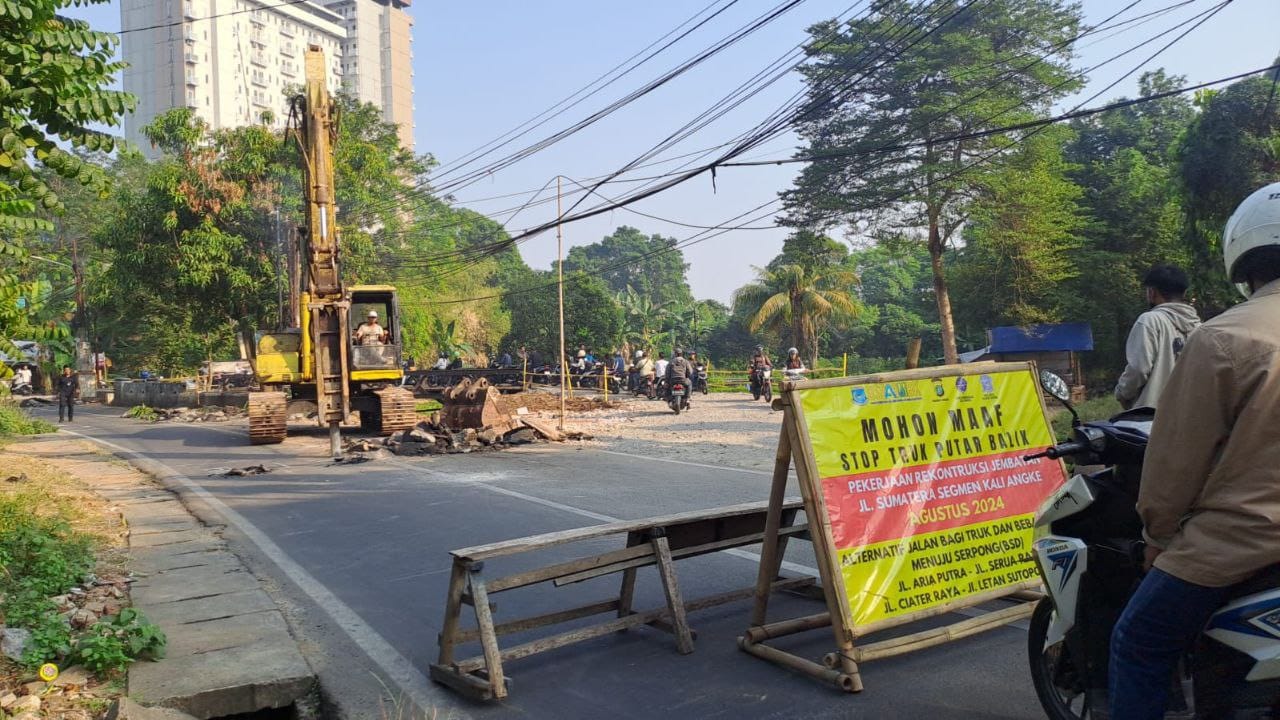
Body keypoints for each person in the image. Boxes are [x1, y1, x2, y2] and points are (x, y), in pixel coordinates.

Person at [1108, 183, 1280, 720]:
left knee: (1137, 640)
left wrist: (1156, 537)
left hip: (1244, 538)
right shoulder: (1199, 324)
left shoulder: (1226, 335)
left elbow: (1175, 462)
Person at [1114, 264, 1202, 409]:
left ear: (1151, 292)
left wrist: (1122, 393)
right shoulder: (1199, 327)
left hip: (1151, 418)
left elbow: (1139, 369)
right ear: (1184, 292)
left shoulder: (1149, 321)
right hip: (1189, 416)